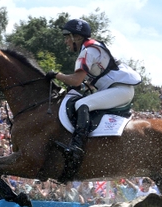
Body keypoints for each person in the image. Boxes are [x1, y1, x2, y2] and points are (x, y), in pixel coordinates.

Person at [46, 19, 141, 180]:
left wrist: (56, 75)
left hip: (120, 90)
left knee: (82, 104)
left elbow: (76, 80)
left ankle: (77, 146)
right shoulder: (91, 47)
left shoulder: (88, 51)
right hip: (118, 88)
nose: (65, 41)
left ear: (76, 37)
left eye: (67, 37)